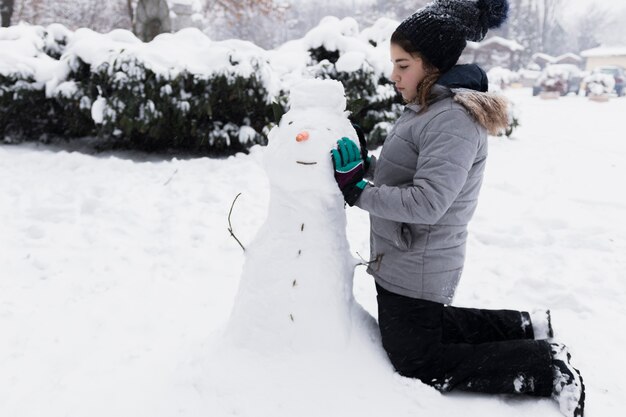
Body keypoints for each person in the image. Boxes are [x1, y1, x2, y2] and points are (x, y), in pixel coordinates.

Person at [330, 1, 585, 416]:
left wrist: (357, 191)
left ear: (430, 66)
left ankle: (546, 367)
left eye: (403, 65)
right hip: (405, 252)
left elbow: (429, 201)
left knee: (418, 360)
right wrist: (367, 165)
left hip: (420, 257)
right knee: (425, 330)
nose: (393, 76)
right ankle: (526, 325)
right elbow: (408, 174)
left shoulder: (452, 119)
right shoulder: (428, 109)